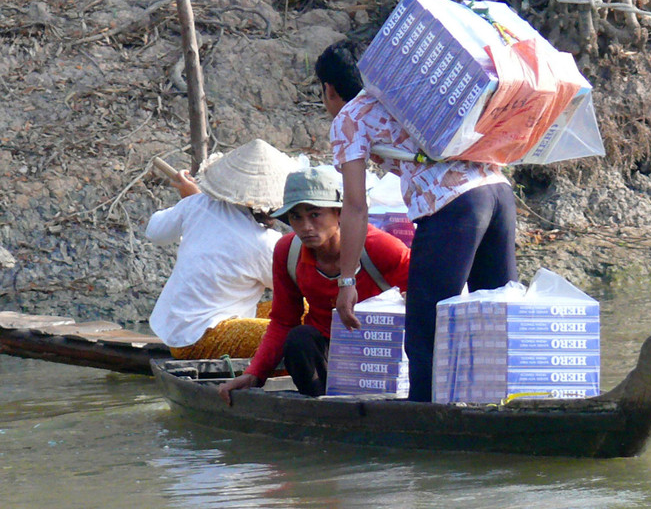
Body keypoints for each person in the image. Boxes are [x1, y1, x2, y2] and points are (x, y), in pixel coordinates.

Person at [316, 40, 518, 402]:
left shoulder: (350, 116)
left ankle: (424, 422)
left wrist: (347, 281)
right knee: (494, 319)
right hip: (498, 192)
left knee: (426, 332)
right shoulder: (408, 92)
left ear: (329, 89)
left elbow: (355, 206)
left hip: (453, 204)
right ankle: (504, 411)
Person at [218, 167, 410, 402]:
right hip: (325, 355)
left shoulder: (379, 247)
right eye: (296, 217)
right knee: (299, 339)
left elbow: (423, 297)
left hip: (378, 353)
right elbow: (283, 321)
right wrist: (254, 375)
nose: (306, 226)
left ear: (339, 214)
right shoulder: (288, 252)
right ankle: (321, 407)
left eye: (315, 214)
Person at [147, 139, 303, 359]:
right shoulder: (265, 244)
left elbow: (155, 231)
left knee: (306, 311)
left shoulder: (197, 203)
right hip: (198, 339)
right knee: (302, 333)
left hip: (179, 328)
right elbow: (295, 286)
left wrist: (192, 202)